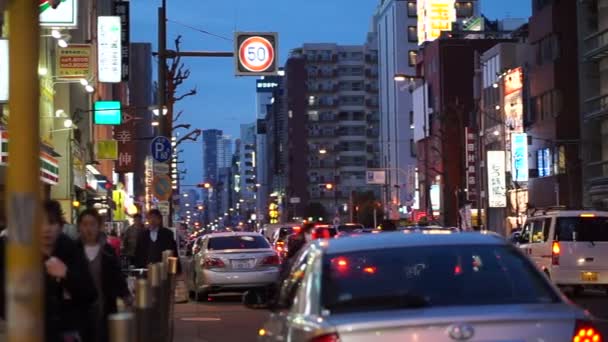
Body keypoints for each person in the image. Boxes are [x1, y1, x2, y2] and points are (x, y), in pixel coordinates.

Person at [0, 200, 97, 342]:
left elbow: (90, 294)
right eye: (40, 222)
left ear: (60, 226)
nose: (46, 229)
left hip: (67, 333)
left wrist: (66, 275)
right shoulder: (19, 254)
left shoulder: (71, 250)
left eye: (51, 223)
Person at [77, 209, 131, 342]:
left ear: (99, 226)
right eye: (85, 224)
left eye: (92, 224)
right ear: (79, 227)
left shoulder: (107, 251)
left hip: (105, 305)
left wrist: (125, 295)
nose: (88, 228)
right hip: (80, 310)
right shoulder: (73, 250)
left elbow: (117, 275)